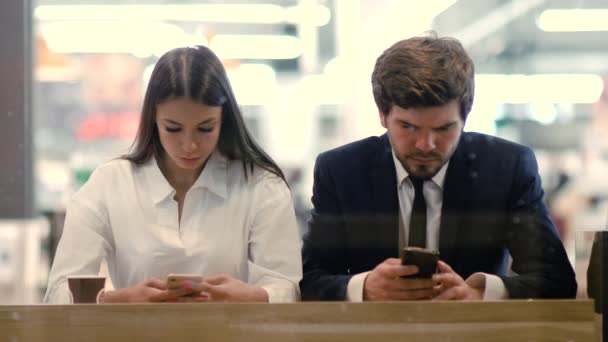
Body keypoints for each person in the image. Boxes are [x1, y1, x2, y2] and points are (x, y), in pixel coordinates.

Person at [300, 33, 577, 301]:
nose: (425, 144)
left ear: (466, 117)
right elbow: (309, 280)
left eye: (443, 128)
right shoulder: (342, 171)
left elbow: (556, 280)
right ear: (383, 115)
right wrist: (364, 288)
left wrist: (480, 292)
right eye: (408, 127)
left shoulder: (505, 168)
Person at [44, 46, 302, 303]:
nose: (189, 145)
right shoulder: (110, 184)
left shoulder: (260, 185)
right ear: (152, 119)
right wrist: (112, 301)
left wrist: (256, 296)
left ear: (224, 120)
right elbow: (58, 293)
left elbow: (287, 287)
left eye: (205, 128)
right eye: (173, 128)